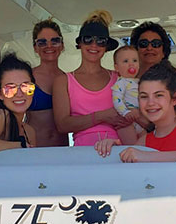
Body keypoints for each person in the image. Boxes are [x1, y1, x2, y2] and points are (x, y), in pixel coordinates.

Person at [94, 61, 176, 167]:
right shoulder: (143, 142)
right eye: (144, 96)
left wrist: (145, 156)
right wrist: (113, 150)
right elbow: (129, 161)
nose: (150, 103)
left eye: (158, 95)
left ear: (175, 99)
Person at [53, 10, 129, 146]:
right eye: (88, 39)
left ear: (106, 47)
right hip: (82, 156)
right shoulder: (63, 81)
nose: (94, 45)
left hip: (117, 151)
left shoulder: (119, 77)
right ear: (80, 43)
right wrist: (101, 116)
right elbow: (62, 125)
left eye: (101, 41)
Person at [130, 22, 176, 118]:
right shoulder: (123, 82)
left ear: (164, 52)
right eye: (143, 44)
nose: (149, 48)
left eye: (156, 44)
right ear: (136, 50)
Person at [26, 19, 68, 146]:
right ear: (35, 48)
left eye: (54, 41)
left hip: (62, 151)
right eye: (42, 42)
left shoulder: (69, 80)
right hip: (35, 151)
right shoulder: (27, 78)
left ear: (62, 45)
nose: (49, 46)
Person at [111, 45, 143, 145]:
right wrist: (125, 113)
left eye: (134, 60)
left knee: (145, 142)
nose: (131, 64)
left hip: (139, 120)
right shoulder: (120, 83)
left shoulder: (140, 82)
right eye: (125, 61)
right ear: (116, 67)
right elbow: (117, 99)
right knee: (132, 146)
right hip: (126, 122)